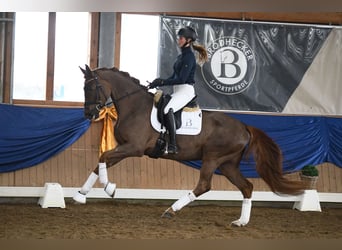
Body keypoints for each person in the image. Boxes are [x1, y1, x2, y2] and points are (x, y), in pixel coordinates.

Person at [150, 26, 208, 154]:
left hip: (185, 91)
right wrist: (157, 82)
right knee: (162, 104)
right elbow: (174, 77)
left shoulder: (189, 57)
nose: (179, 40)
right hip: (177, 91)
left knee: (167, 109)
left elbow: (182, 79)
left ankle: (172, 145)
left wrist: (163, 81)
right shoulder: (180, 57)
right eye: (179, 38)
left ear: (188, 40)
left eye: (181, 38)